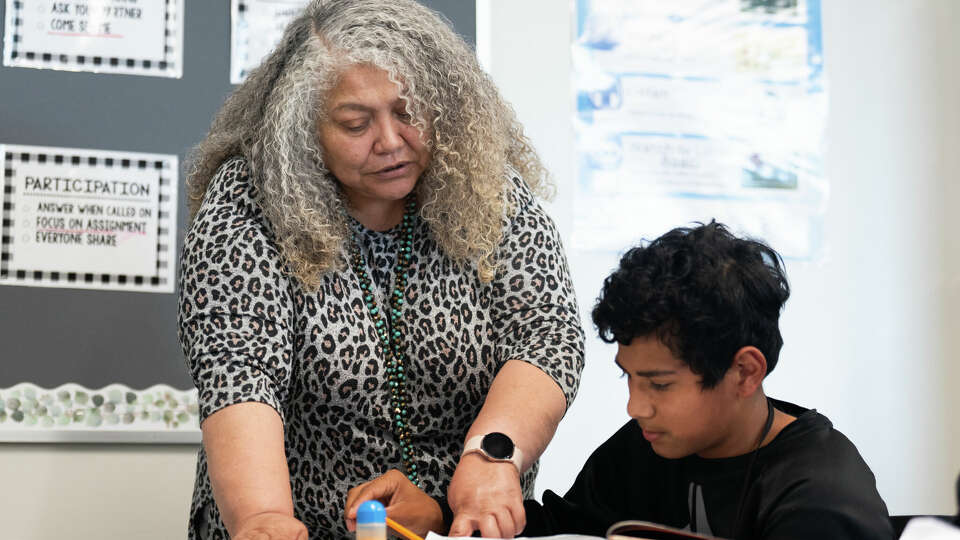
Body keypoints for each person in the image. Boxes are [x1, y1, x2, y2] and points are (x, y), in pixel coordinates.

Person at [177, 1, 585, 538]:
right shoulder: (252, 202)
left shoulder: (486, 188)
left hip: (458, 525)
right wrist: (263, 517)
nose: (390, 142)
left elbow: (544, 335)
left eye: (409, 112)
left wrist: (491, 459)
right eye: (355, 123)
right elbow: (239, 371)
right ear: (303, 130)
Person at [345, 221, 894, 539]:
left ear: (744, 371)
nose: (636, 408)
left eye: (659, 385)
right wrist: (441, 515)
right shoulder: (645, 450)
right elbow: (564, 527)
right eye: (629, 380)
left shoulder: (820, 496)